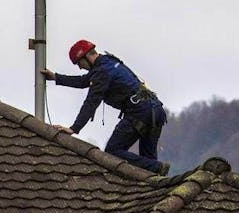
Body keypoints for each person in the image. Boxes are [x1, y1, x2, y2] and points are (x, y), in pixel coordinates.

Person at [41, 39, 170, 176]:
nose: (80, 67)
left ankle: (157, 168)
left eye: (79, 63)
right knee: (147, 164)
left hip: (139, 113)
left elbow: (91, 102)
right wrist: (56, 77)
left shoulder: (102, 72)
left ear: (86, 56)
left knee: (113, 151)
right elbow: (84, 81)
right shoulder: (108, 61)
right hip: (156, 110)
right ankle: (156, 178)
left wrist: (74, 128)